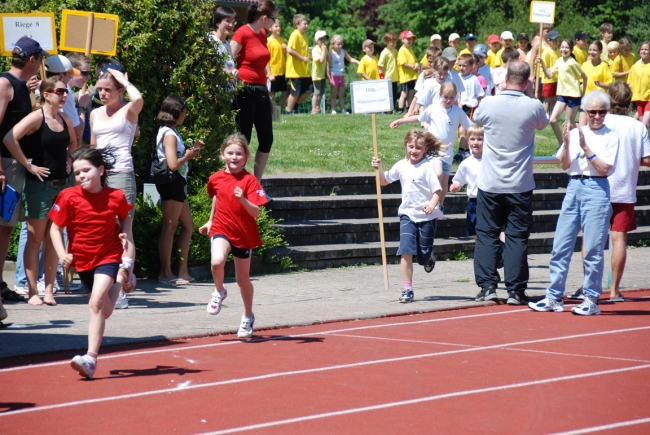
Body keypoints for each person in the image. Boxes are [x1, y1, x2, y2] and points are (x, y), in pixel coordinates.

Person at [529, 91, 618, 316]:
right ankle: (554, 296)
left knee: (593, 249)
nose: (597, 116)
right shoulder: (577, 132)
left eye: (601, 112)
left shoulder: (611, 136)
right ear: (585, 113)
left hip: (596, 189)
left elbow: (605, 168)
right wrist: (568, 143)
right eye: (592, 112)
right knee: (561, 244)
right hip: (573, 187)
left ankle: (591, 298)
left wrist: (586, 148)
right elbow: (565, 165)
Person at [50, 146, 133, 379]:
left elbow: (126, 218)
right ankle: (122, 278)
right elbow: (55, 228)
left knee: (95, 302)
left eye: (86, 170)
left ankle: (90, 359)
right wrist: (61, 254)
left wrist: (125, 235)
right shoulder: (68, 196)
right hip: (83, 260)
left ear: (101, 170)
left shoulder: (115, 196)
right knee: (104, 311)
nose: (81, 176)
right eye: (77, 173)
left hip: (108, 255)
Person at [473, 60, 549, 305]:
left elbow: (478, 119)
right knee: (516, 236)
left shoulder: (489, 103)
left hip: (491, 183)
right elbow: (543, 123)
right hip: (520, 184)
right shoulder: (533, 105)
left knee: (487, 234)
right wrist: (530, 93)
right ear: (527, 81)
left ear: (505, 78)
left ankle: (487, 287)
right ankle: (515, 290)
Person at [3, 77, 77, 306]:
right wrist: (28, 164)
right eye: (60, 91)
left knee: (53, 239)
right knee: (35, 239)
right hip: (39, 187)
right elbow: (8, 138)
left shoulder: (64, 118)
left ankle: (48, 290)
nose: (64, 96)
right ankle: (33, 291)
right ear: (46, 94)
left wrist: (69, 159)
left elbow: (73, 142)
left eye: (66, 92)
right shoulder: (37, 117)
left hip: (61, 187)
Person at [199, 133, 268, 339]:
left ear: (246, 156)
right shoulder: (215, 178)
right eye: (230, 153)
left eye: (239, 153)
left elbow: (256, 212)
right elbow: (217, 197)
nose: (234, 157)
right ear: (223, 155)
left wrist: (243, 200)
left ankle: (248, 316)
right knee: (217, 260)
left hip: (243, 233)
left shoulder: (250, 180)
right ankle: (219, 291)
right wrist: (211, 221)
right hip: (222, 228)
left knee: (242, 280)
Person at [90, 67, 143, 309]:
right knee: (102, 228)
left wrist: (122, 78)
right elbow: (93, 146)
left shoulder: (129, 110)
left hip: (121, 173)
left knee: (123, 228)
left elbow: (139, 98)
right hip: (100, 176)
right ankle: (107, 282)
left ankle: (123, 284)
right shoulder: (96, 114)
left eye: (108, 89)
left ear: (120, 91)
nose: (102, 93)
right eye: (99, 89)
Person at [371, 129, 444, 303]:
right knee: (405, 251)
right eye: (411, 146)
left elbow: (437, 191)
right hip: (407, 215)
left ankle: (429, 255)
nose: (414, 151)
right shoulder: (401, 165)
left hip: (426, 216)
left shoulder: (427, 167)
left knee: (423, 255)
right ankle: (407, 289)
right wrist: (379, 167)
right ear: (406, 146)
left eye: (418, 148)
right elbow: (383, 181)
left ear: (425, 149)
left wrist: (431, 205)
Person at [0, 36, 45, 304]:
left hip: (14, 164)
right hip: (7, 164)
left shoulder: (19, 85)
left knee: (6, 226)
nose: (40, 64)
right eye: (40, 59)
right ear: (32, 60)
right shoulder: (5, 83)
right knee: (2, 225)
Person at [390, 82, 470, 215]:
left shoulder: (458, 112)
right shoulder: (433, 108)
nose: (449, 100)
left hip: (448, 153)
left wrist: (487, 132)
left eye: (451, 97)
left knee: (444, 182)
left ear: (456, 96)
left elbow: (471, 126)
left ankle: (439, 205)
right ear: (440, 96)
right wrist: (401, 121)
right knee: (437, 174)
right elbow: (419, 118)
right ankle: (429, 200)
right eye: (446, 97)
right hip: (433, 150)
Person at [604, 82, 650, 301]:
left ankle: (588, 288)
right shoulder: (637, 126)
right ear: (629, 100)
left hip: (599, 187)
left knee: (591, 239)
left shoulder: (600, 120)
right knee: (619, 239)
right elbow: (647, 159)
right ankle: (614, 289)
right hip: (624, 188)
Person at [154, 95, 202, 285]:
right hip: (172, 182)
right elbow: (173, 164)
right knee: (170, 226)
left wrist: (190, 153)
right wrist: (188, 156)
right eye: (184, 112)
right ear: (176, 113)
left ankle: (182, 271)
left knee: (188, 226)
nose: (185, 115)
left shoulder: (170, 132)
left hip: (178, 182)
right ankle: (165, 273)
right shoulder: (169, 134)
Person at [230, 1, 278, 181]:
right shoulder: (242, 33)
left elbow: (263, 63)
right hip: (244, 89)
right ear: (264, 18)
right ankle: (238, 179)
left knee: (267, 139)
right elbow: (228, 59)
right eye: (274, 18)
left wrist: (268, 95)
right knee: (244, 138)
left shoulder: (263, 34)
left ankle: (256, 183)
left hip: (261, 90)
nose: (275, 22)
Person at [537, 39, 588, 145]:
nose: (564, 49)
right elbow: (550, 75)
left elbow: (584, 76)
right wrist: (542, 63)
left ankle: (577, 144)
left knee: (570, 123)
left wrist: (583, 93)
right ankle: (562, 144)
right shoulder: (559, 60)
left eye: (567, 47)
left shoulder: (572, 62)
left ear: (571, 49)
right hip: (563, 94)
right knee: (553, 120)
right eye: (562, 47)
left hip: (573, 95)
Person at [450, 124, 484, 243]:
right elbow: (458, 179)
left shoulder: (491, 160)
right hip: (474, 201)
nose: (476, 142)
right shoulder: (466, 163)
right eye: (472, 139)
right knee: (474, 230)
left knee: (491, 230)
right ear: (468, 142)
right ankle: (481, 253)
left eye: (480, 139)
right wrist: (456, 186)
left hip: (489, 200)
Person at [578, 41, 613, 127]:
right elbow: (580, 81)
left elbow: (610, 85)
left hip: (598, 102)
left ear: (600, 52)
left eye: (594, 50)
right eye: (590, 50)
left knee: (596, 127)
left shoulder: (604, 66)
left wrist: (600, 84)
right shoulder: (585, 65)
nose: (591, 52)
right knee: (582, 128)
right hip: (586, 100)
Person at [284, 14, 312, 114]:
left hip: (304, 71)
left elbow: (304, 52)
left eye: (307, 24)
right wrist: (302, 58)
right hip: (294, 71)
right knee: (294, 93)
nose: (306, 26)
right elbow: (289, 49)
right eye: (304, 24)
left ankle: (295, 106)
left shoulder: (304, 36)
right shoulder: (295, 34)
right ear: (297, 25)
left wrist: (309, 56)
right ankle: (288, 111)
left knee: (309, 90)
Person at [328, 34, 359, 114]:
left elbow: (350, 59)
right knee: (334, 94)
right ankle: (333, 110)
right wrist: (329, 77)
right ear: (333, 44)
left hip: (341, 75)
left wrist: (358, 62)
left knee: (341, 94)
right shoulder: (330, 54)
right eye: (338, 44)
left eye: (341, 44)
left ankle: (343, 109)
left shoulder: (343, 52)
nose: (340, 46)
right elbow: (328, 66)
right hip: (334, 75)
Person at [209, 6, 238, 88]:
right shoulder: (210, 40)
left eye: (233, 22)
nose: (231, 25)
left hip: (227, 94)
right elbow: (209, 65)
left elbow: (228, 66)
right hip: (213, 91)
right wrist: (227, 73)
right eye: (227, 21)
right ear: (217, 22)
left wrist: (234, 71)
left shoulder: (227, 44)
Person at [628, 41, 650, 131]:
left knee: (644, 124)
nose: (643, 51)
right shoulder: (634, 67)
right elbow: (630, 83)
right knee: (644, 125)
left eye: (646, 49)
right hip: (639, 98)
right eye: (642, 49)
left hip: (649, 98)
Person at [267, 18, 288, 111]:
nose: (278, 28)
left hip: (281, 71)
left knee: (285, 93)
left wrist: (285, 50)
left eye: (279, 26)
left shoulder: (281, 40)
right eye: (276, 26)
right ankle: (269, 113)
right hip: (273, 72)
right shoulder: (268, 41)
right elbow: (266, 59)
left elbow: (282, 55)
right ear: (270, 28)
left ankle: (277, 113)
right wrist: (269, 74)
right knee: (272, 94)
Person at [397, 30, 419, 114]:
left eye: (411, 39)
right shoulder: (402, 50)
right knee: (404, 94)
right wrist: (412, 66)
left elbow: (414, 60)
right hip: (405, 76)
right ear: (402, 39)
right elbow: (403, 63)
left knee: (411, 94)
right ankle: (400, 110)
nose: (410, 41)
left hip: (412, 76)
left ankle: (409, 109)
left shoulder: (410, 50)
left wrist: (416, 64)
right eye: (408, 39)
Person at [539, 30, 561, 115]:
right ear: (549, 41)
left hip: (556, 79)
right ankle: (544, 116)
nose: (556, 42)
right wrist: (549, 74)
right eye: (554, 40)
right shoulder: (546, 52)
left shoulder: (558, 51)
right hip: (548, 80)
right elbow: (545, 67)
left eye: (557, 40)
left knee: (554, 99)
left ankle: (552, 116)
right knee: (547, 99)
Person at [378, 32, 399, 111]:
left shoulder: (395, 51)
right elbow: (380, 67)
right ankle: (386, 110)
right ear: (386, 42)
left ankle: (392, 109)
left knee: (394, 94)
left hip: (395, 77)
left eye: (395, 41)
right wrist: (382, 78)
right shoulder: (384, 52)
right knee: (387, 95)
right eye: (391, 41)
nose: (393, 43)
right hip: (387, 78)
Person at [311, 30, 329, 114]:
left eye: (324, 39)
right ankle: (313, 108)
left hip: (322, 74)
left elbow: (327, 58)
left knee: (321, 92)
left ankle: (318, 106)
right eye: (321, 39)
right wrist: (324, 50)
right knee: (316, 92)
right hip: (316, 75)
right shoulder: (316, 49)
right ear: (316, 40)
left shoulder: (324, 48)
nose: (323, 41)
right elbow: (321, 60)